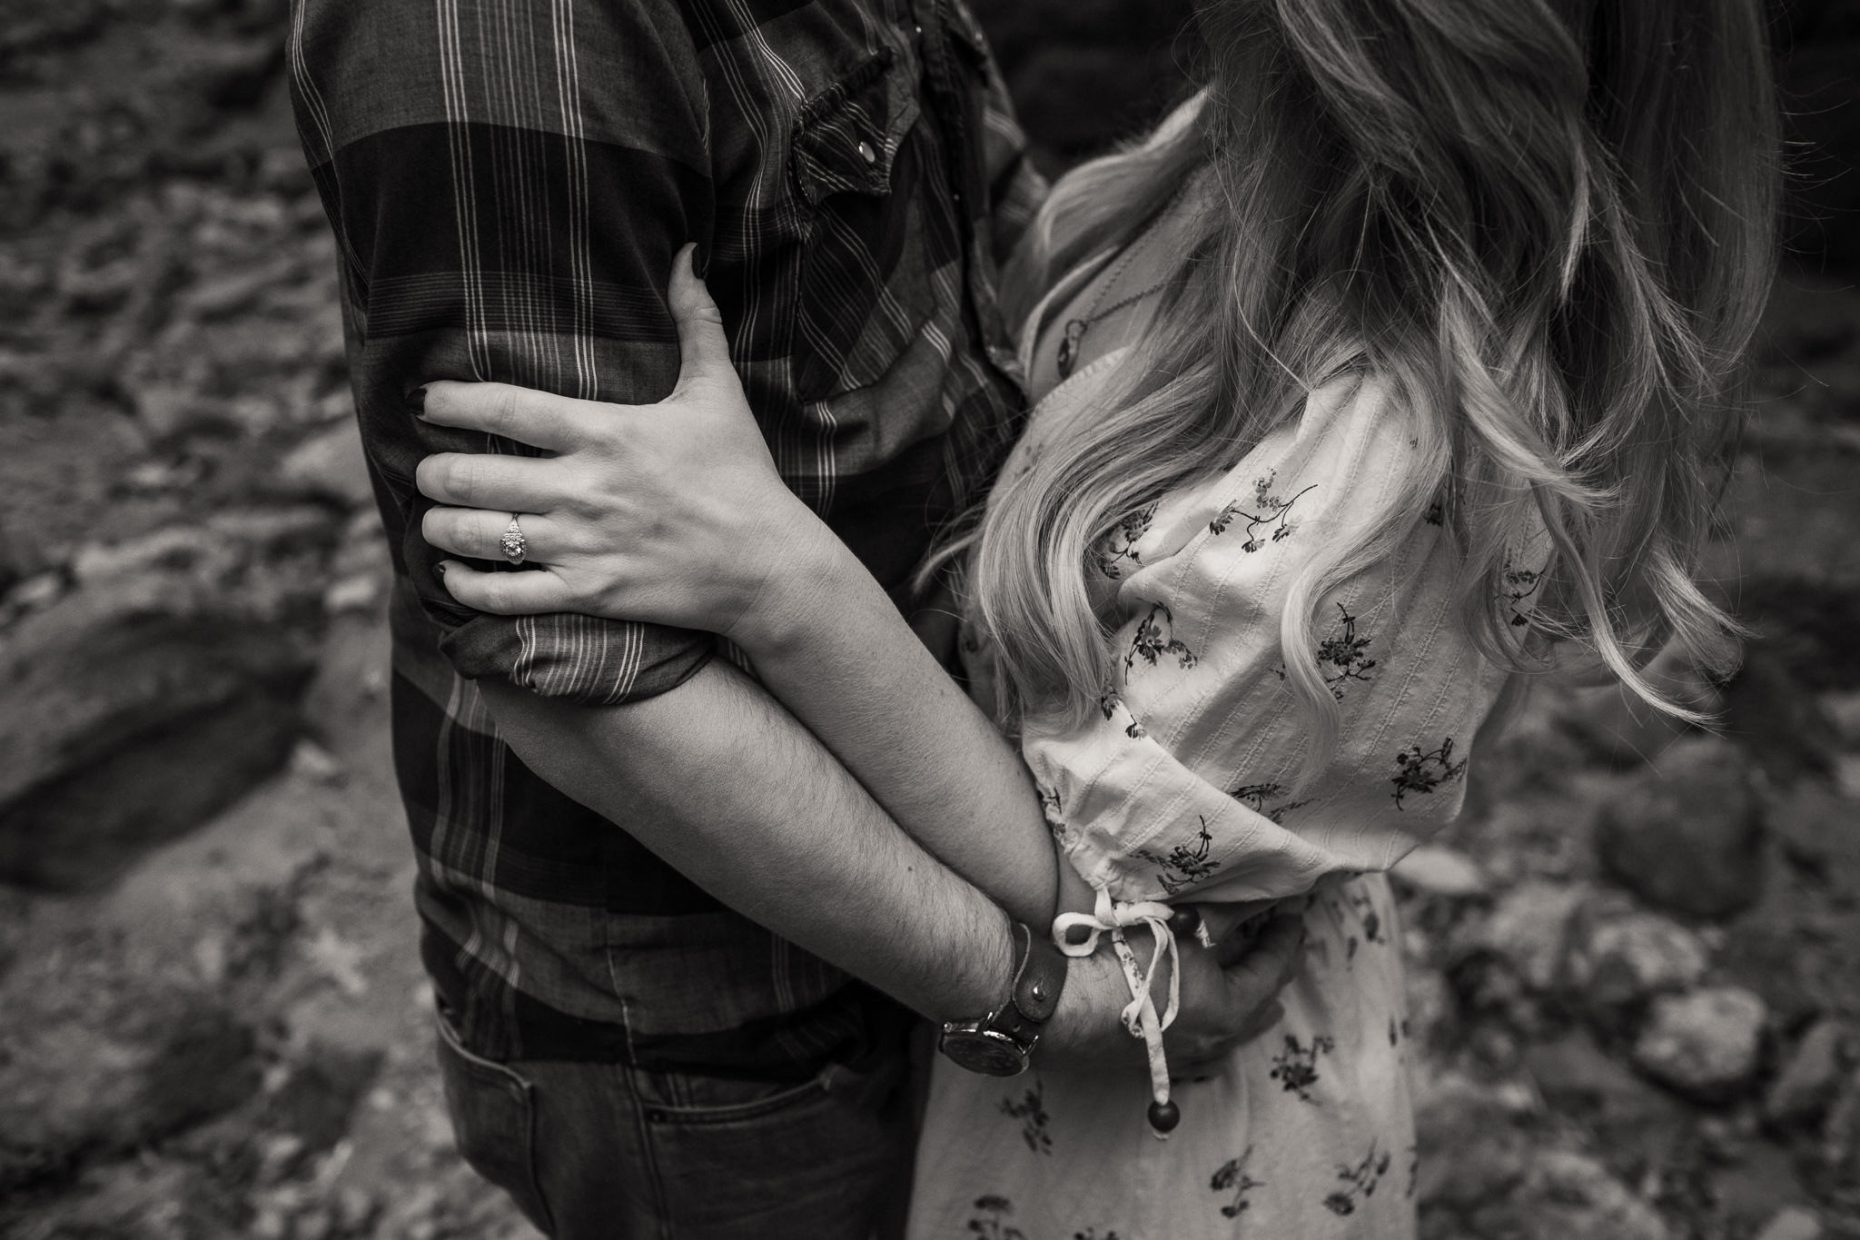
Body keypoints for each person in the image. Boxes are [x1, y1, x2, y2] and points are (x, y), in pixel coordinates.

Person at [412, 0, 1781, 1234]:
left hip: (1154, 1137)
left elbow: (1093, 896)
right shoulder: (1265, 145)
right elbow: (1004, 290)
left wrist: (776, 576)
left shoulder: (1403, 452)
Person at [286, 1, 1302, 1236]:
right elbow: (575, 671)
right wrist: (1042, 987)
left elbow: (979, 251)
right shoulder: (512, 28)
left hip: (978, 849)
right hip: (724, 1024)